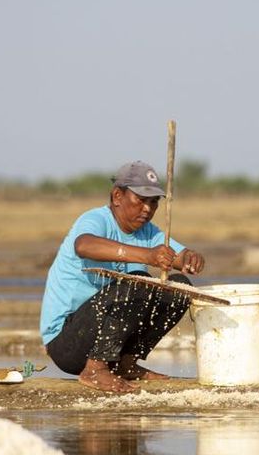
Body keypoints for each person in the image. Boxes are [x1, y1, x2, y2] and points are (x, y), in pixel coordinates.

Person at [39, 160, 206, 393]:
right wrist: (147, 256)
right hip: (67, 342)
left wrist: (189, 257)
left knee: (179, 287)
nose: (147, 209)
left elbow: (176, 256)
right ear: (117, 196)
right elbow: (84, 245)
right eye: (141, 200)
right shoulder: (96, 220)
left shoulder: (149, 232)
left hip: (105, 341)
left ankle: (125, 363)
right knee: (136, 280)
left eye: (153, 202)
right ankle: (95, 370)